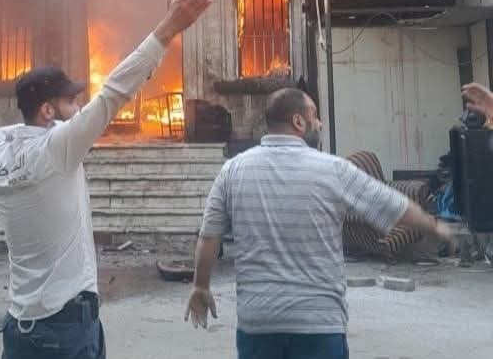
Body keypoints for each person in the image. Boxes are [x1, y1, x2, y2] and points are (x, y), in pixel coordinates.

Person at [0, 0, 213, 359]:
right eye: (70, 102)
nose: (78, 109)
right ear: (47, 110)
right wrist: (167, 29)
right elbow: (112, 94)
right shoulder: (55, 150)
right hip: (64, 326)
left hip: (21, 324)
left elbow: (17, 130)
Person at [184, 87, 451, 359]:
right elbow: (392, 204)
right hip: (319, 324)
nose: (320, 123)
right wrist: (433, 225)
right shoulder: (333, 169)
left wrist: (200, 286)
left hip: (258, 323)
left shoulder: (233, 170)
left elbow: (209, 236)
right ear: (299, 121)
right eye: (315, 115)